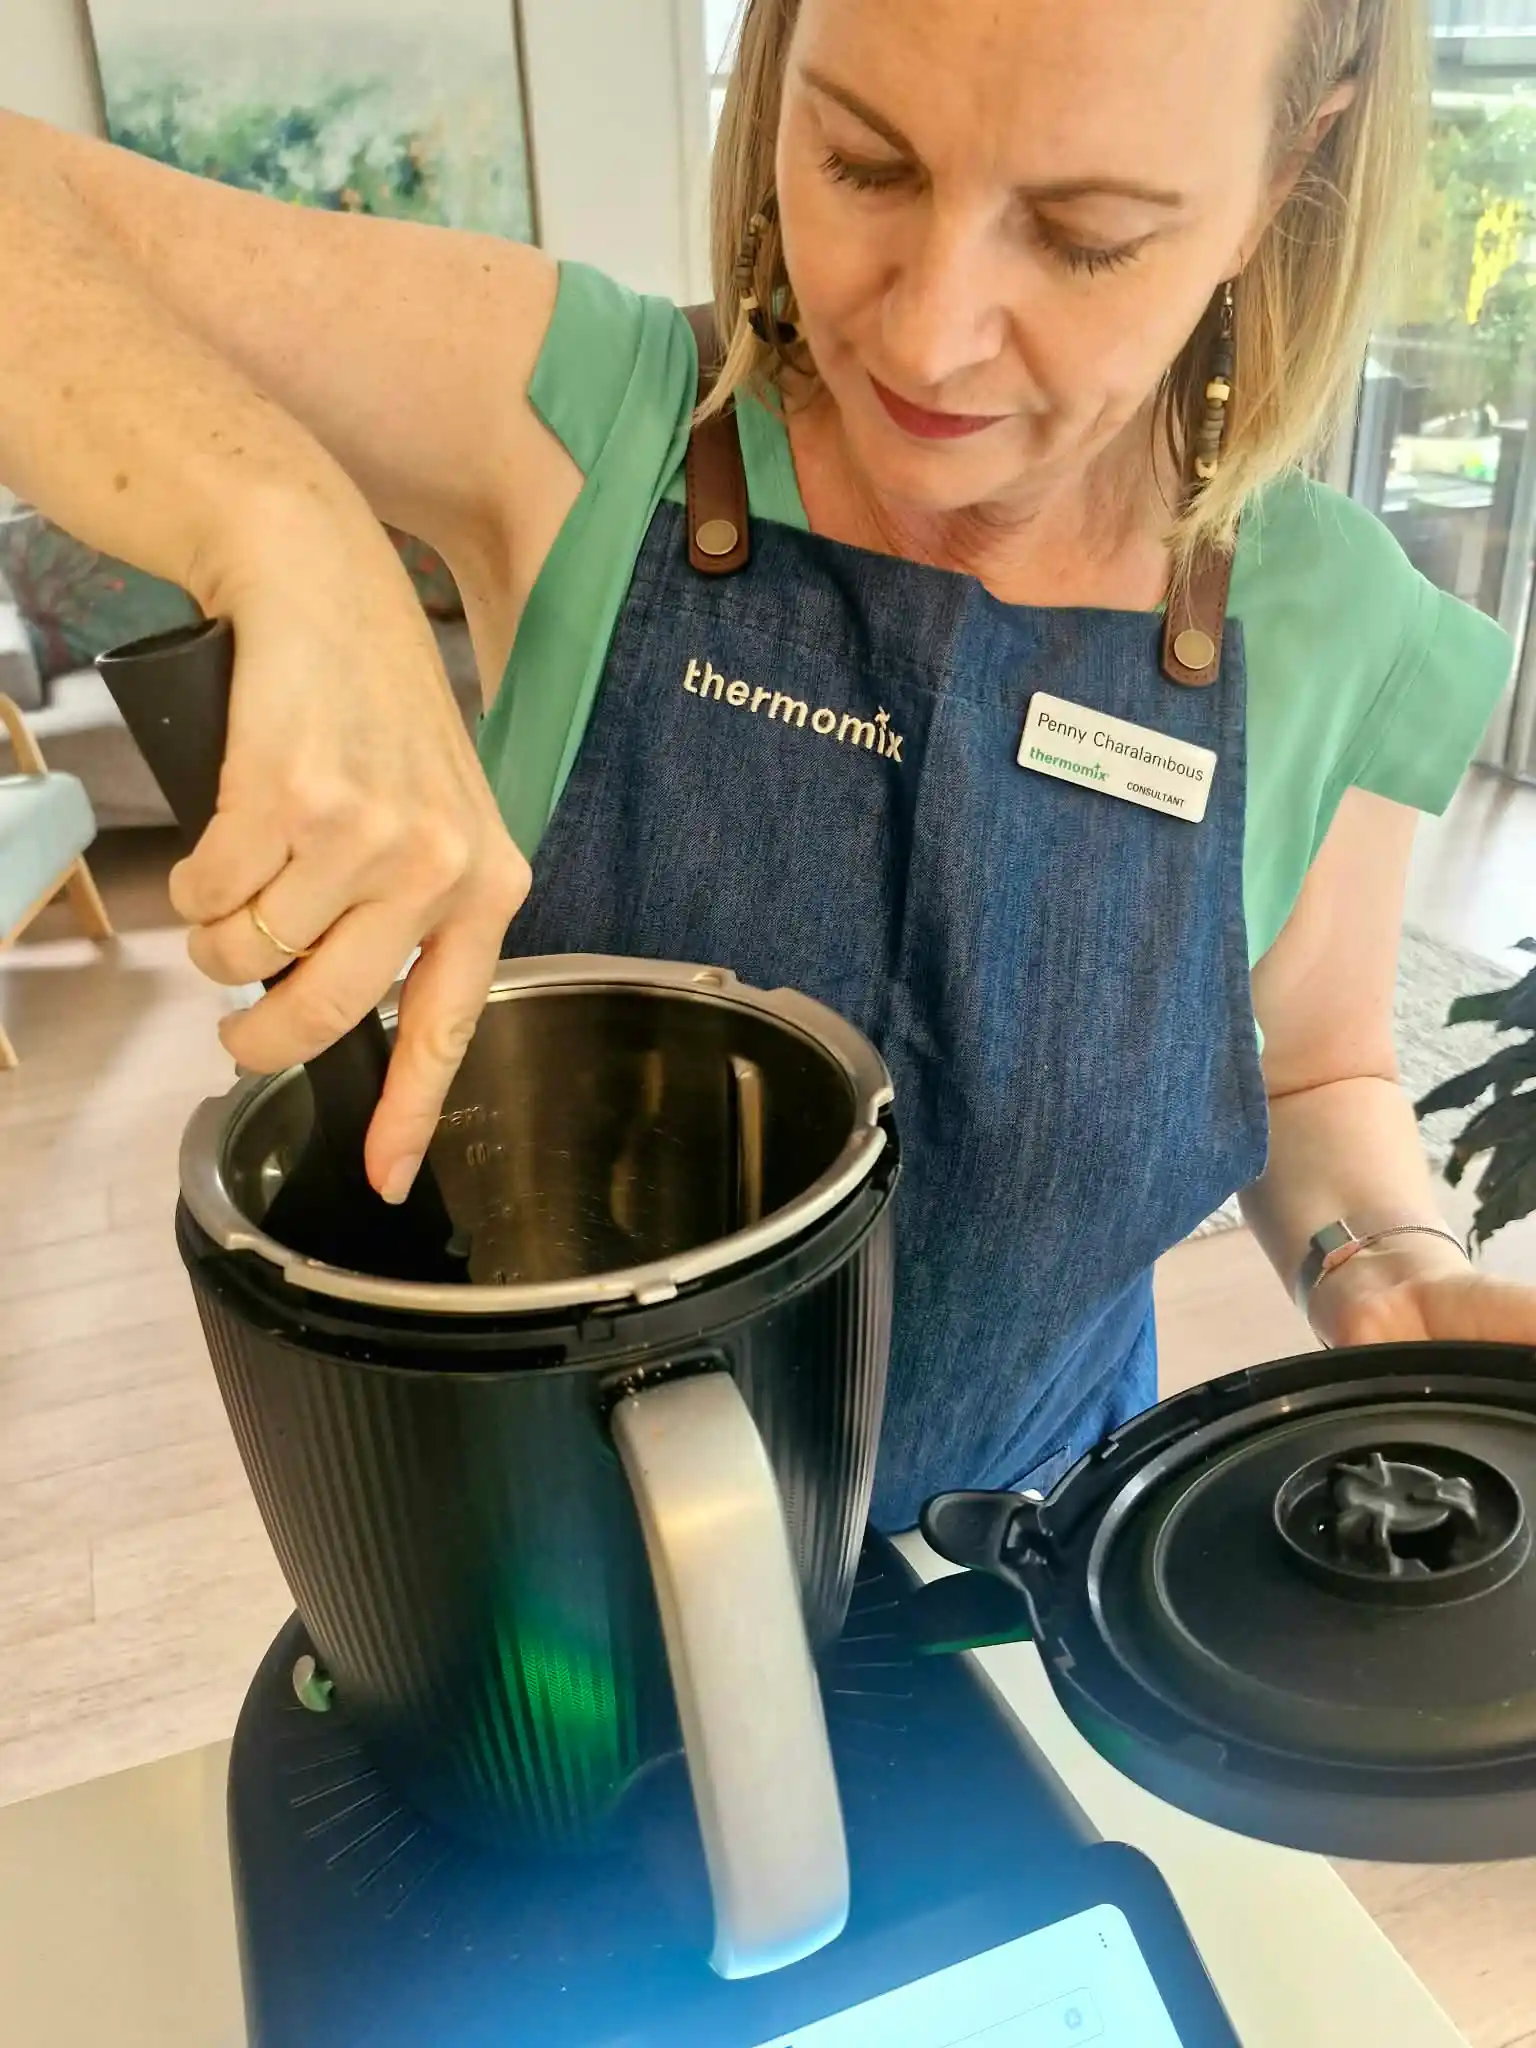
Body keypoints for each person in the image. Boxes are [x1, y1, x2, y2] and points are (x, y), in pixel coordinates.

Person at [2, 0, 1532, 1530]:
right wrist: (286, 530)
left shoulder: (1334, 626)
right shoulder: (590, 420)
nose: (930, 332)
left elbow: (1318, 1067)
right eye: (864, 162)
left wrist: (1380, 1263)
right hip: (550, 1601)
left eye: (1084, 235)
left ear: (1287, 174)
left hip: (1017, 1605)